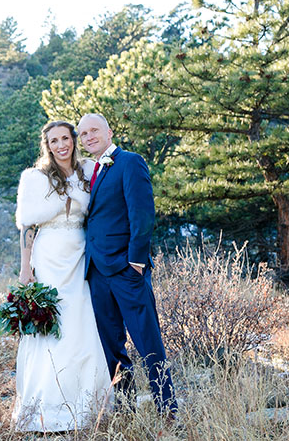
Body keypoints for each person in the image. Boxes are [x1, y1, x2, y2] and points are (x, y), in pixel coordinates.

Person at [13, 120, 111, 433]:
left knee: (81, 324)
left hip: (81, 257)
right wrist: (25, 267)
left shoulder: (87, 171)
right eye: (53, 140)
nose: (60, 145)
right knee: (51, 328)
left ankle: (85, 409)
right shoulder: (35, 177)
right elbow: (28, 225)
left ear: (74, 140)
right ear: (48, 145)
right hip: (49, 257)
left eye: (65, 138)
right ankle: (45, 410)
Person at [77, 113, 177, 416]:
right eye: (83, 134)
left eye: (94, 130)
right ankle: (125, 407)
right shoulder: (89, 171)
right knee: (112, 345)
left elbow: (143, 213)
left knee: (148, 340)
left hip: (126, 269)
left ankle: (167, 408)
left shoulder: (129, 161)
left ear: (109, 132)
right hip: (96, 272)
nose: (89, 137)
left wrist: (136, 260)